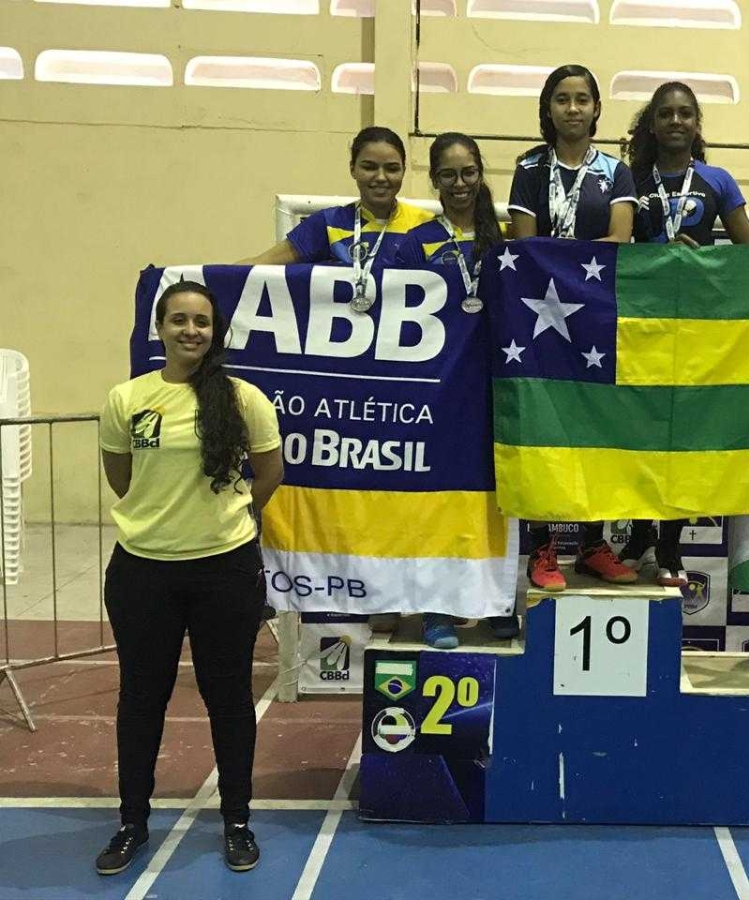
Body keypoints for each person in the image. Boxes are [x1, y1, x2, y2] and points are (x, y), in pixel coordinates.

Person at [95, 281, 284, 876]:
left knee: (227, 699)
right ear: (161, 328)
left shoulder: (244, 399)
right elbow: (122, 479)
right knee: (141, 699)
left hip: (224, 572)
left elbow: (270, 472)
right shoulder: (127, 398)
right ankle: (131, 822)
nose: (191, 331)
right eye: (179, 320)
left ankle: (237, 822)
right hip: (142, 572)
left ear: (215, 330)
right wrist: (163, 520)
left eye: (201, 322)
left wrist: (221, 519)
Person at [621, 80, 749, 586]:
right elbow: (612, 245)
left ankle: (670, 544)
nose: (676, 121)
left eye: (685, 113)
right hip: (638, 322)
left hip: (697, 327)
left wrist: (705, 258)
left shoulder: (718, 180)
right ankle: (638, 534)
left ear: (697, 124)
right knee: (637, 432)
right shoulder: (626, 177)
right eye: (666, 114)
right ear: (651, 124)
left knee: (682, 437)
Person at [507, 64, 639, 592]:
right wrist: (566, 264)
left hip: (597, 317)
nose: (573, 108)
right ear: (548, 108)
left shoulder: (616, 171)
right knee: (542, 428)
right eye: (562, 99)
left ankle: (591, 544)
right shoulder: (530, 168)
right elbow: (524, 246)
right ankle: (544, 548)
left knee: (596, 429)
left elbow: (621, 240)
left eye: (582, 99)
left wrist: (567, 265)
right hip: (538, 317)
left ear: (596, 108)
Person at [395, 133, 512, 649]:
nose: (460, 184)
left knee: (503, 502)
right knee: (438, 505)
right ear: (434, 180)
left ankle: (500, 604)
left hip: (496, 390)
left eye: (468, 173)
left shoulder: (507, 238)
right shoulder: (412, 241)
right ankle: (437, 611)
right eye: (448, 175)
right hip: (438, 394)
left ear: (480, 174)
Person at [240, 126, 432, 267]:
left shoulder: (427, 224)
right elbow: (260, 264)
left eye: (391, 169)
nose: (381, 177)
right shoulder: (327, 224)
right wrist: (214, 279)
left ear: (404, 171)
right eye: (369, 167)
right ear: (352, 169)